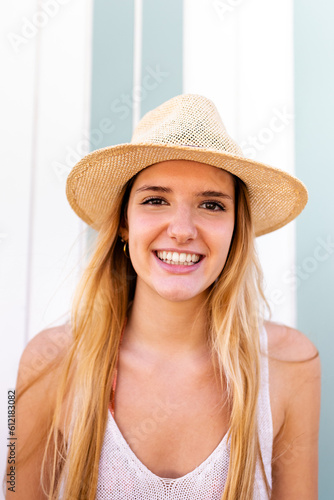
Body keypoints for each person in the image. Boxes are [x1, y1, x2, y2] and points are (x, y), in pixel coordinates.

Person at [5, 94, 320, 500]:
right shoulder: (48, 362)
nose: (183, 229)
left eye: (211, 204)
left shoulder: (290, 365)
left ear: (236, 227)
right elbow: (12, 487)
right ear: (123, 222)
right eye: (156, 200)